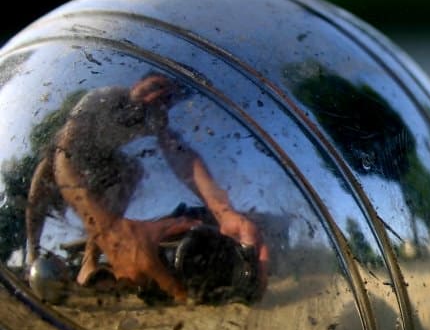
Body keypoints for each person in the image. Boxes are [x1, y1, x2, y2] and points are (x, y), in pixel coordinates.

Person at [25, 73, 268, 303]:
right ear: (136, 84)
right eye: (152, 87)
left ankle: (90, 261)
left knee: (132, 171)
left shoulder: (155, 118)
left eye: (166, 97)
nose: (155, 97)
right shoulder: (104, 97)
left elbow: (182, 157)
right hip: (61, 153)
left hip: (104, 159)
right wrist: (111, 232)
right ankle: (32, 253)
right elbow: (64, 153)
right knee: (39, 186)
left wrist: (223, 212)